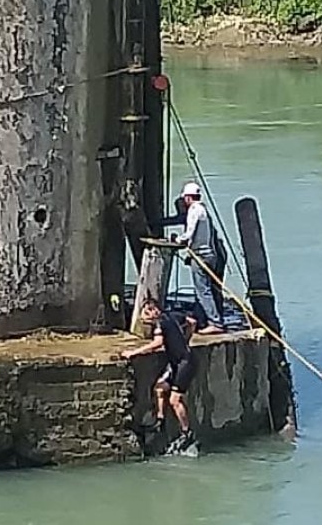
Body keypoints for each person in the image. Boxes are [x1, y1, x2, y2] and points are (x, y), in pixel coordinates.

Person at [122, 298, 198, 455]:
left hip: (185, 364)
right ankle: (160, 421)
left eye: (144, 314)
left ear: (153, 311)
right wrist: (186, 341)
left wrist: (133, 352)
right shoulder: (172, 315)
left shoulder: (159, 323)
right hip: (180, 361)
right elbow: (192, 322)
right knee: (160, 388)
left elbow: (157, 343)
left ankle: (187, 433)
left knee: (175, 400)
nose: (143, 319)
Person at [156, 192, 228, 321]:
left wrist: (156, 224)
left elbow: (184, 231)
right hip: (209, 253)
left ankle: (215, 319)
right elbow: (176, 220)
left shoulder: (194, 213)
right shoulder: (198, 212)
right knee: (205, 287)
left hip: (214, 254)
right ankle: (207, 317)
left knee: (210, 288)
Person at [174, 182, 225, 335]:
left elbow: (189, 234)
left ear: (188, 198)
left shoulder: (194, 211)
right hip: (210, 255)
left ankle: (215, 322)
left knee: (203, 291)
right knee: (205, 290)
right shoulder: (203, 210)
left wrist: (177, 239)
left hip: (201, 257)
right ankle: (200, 318)